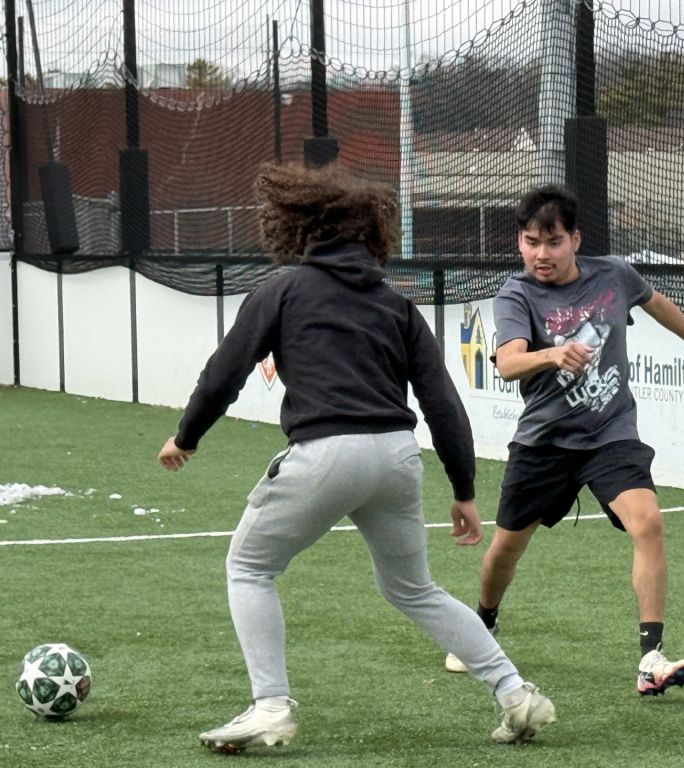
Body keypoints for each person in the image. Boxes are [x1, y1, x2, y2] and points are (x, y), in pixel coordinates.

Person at [157, 161, 555, 752]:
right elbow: (443, 404)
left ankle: (269, 706)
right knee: (413, 588)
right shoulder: (397, 306)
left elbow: (225, 373)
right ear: (373, 236)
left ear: (298, 229)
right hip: (397, 457)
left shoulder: (283, 289)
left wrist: (186, 437)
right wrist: (464, 491)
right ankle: (515, 694)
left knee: (250, 568)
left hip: (326, 453)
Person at [444, 184, 684, 697]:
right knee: (506, 550)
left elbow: (657, 303)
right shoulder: (517, 294)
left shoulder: (613, 275)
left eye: (552, 241)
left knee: (648, 523)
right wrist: (551, 355)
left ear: (575, 240)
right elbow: (508, 362)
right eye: (531, 241)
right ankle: (484, 621)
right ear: (520, 243)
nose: (541, 253)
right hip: (544, 444)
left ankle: (650, 657)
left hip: (610, 435)